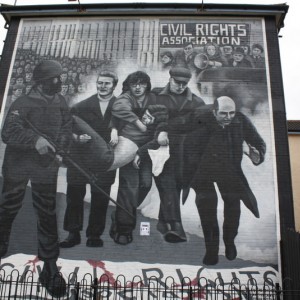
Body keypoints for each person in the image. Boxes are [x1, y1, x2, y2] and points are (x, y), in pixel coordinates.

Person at [0, 60, 72, 297]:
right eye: (55, 78)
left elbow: (66, 127)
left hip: (45, 167)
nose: (60, 82)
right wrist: (34, 140)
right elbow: (8, 131)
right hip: (18, 165)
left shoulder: (60, 102)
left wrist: (61, 149)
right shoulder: (22, 103)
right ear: (42, 81)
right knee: (8, 207)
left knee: (47, 214)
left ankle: (50, 267)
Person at [172, 96, 266, 265]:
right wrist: (161, 133)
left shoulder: (240, 120)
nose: (228, 117)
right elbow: (176, 127)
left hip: (228, 168)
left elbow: (258, 141)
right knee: (207, 206)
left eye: (231, 113)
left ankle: (229, 241)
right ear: (214, 112)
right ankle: (211, 249)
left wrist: (257, 154)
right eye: (223, 113)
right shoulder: (198, 116)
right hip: (202, 169)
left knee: (233, 205)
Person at [59, 71, 118, 249]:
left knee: (100, 198)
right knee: (75, 197)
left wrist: (117, 132)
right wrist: (77, 138)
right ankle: (73, 234)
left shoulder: (121, 107)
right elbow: (64, 129)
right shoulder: (81, 106)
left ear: (114, 85)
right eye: (100, 83)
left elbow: (130, 130)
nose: (103, 86)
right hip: (80, 158)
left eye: (107, 84)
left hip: (105, 161)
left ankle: (94, 235)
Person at [109, 71, 167, 245]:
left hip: (147, 149)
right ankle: (123, 230)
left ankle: (122, 212)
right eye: (134, 84)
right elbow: (118, 111)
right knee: (129, 187)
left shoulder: (154, 99)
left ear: (147, 85)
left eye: (141, 84)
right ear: (129, 85)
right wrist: (132, 123)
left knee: (145, 185)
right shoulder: (125, 98)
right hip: (128, 146)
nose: (138, 87)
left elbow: (162, 120)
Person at [152, 67, 205, 243]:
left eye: (184, 83)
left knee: (174, 186)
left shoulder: (196, 102)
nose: (181, 86)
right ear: (170, 79)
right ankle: (176, 226)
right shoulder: (155, 95)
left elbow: (203, 127)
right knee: (167, 184)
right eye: (177, 82)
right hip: (159, 149)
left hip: (184, 153)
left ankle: (162, 222)